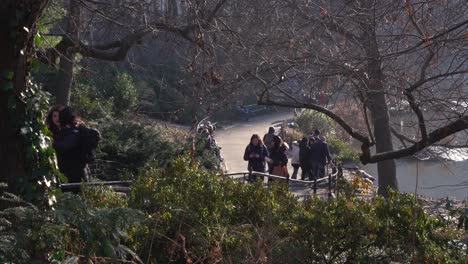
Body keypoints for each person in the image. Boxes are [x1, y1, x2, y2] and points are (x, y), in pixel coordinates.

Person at [52, 106, 88, 184]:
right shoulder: (74, 132)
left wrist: (51, 144)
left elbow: (64, 146)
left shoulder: (73, 133)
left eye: (60, 116)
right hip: (74, 174)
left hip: (73, 175)